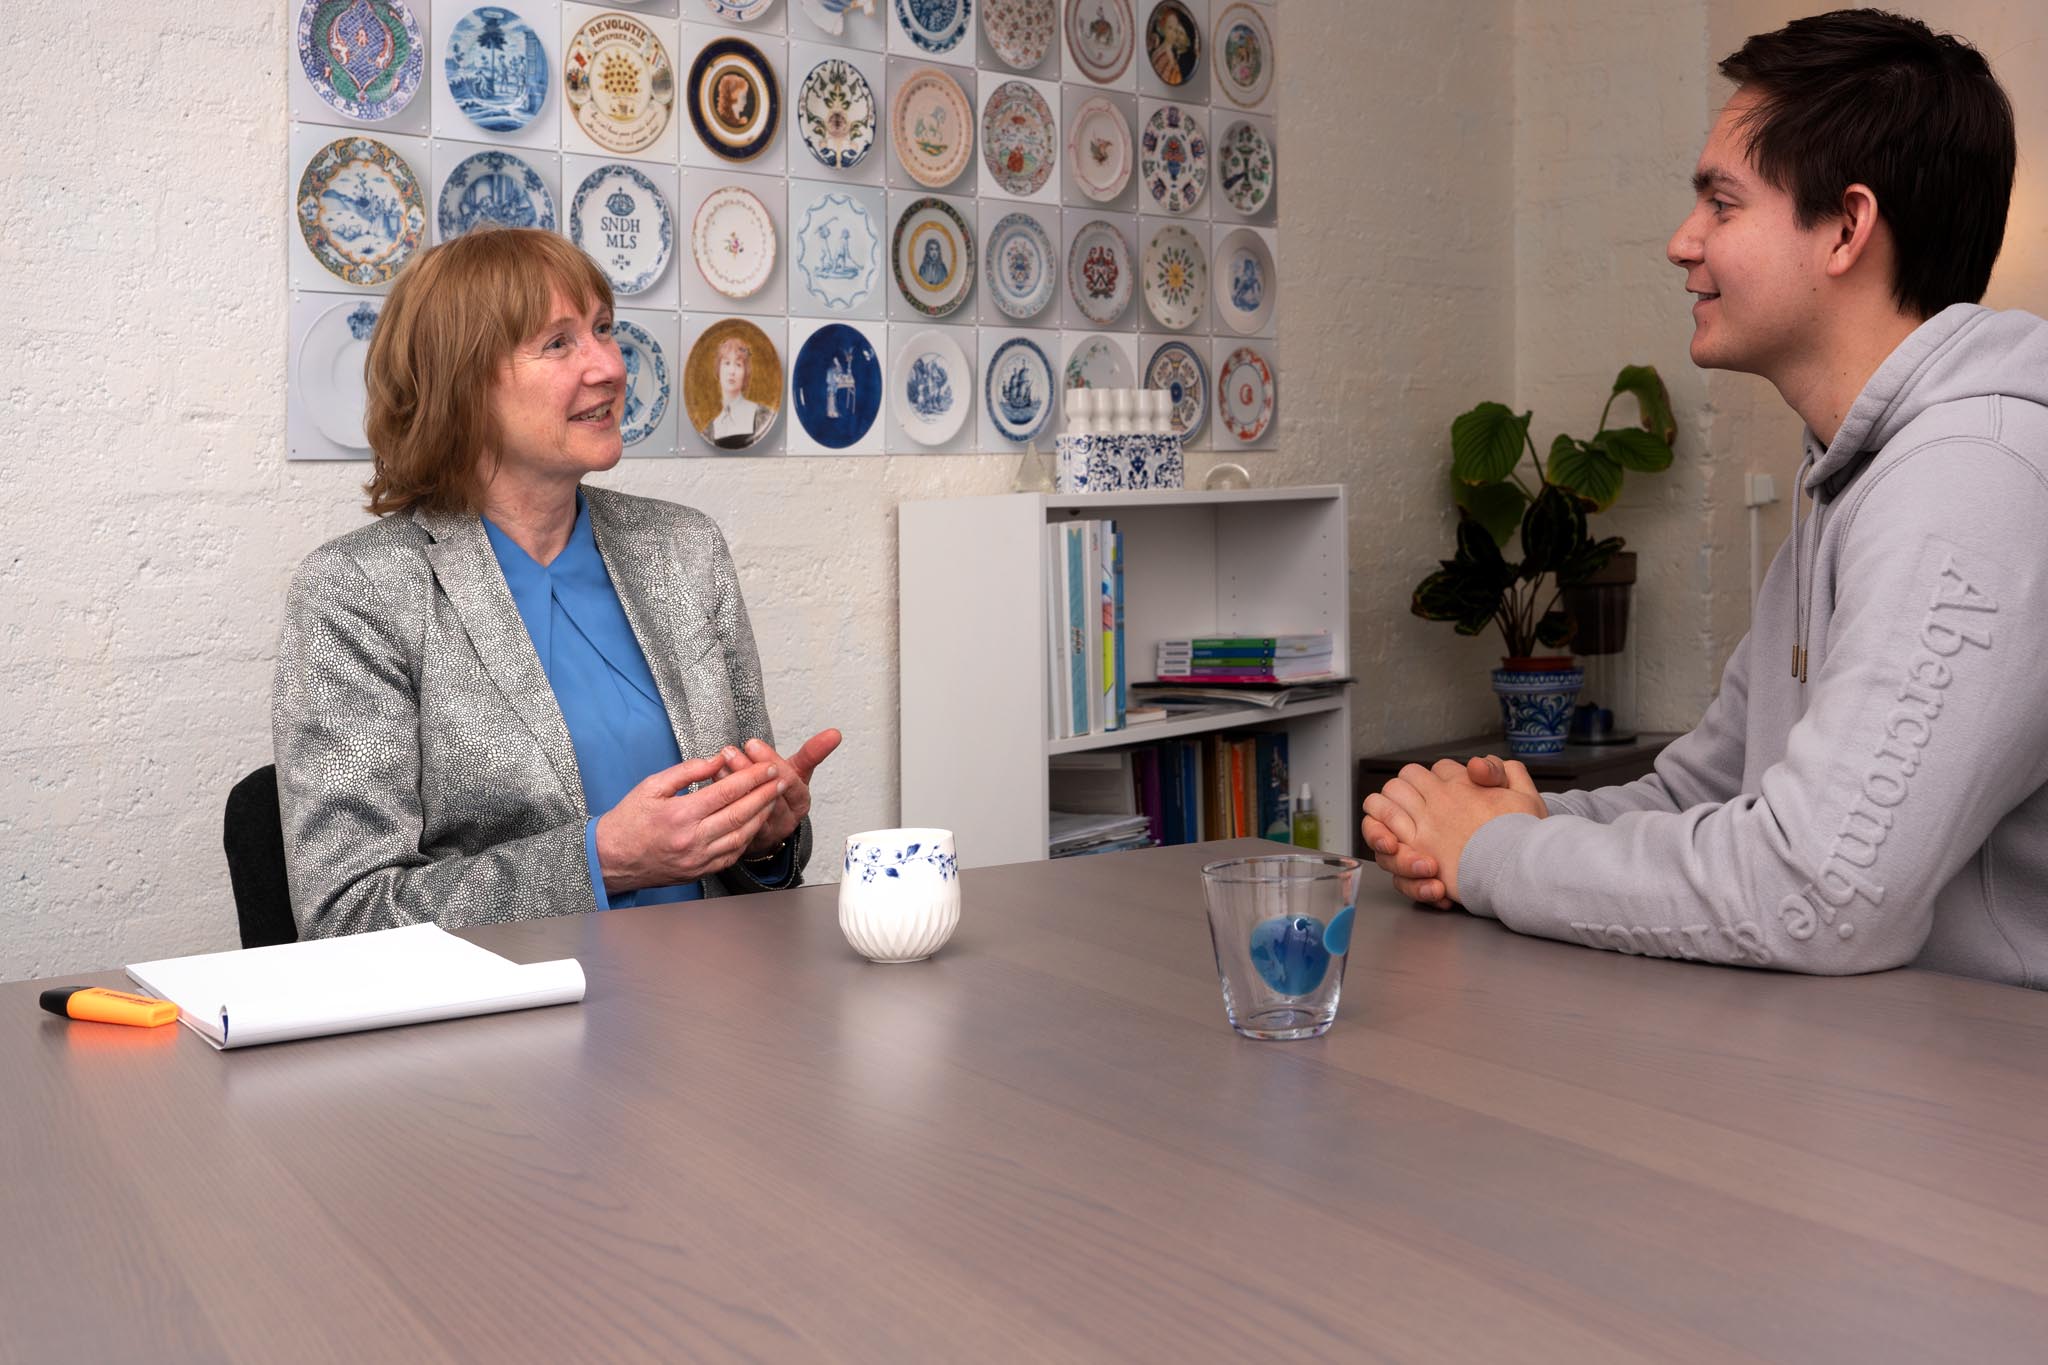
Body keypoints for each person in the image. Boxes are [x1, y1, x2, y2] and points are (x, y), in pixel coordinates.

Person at [1362, 9, 2048, 987]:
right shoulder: (1858, 478)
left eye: (1721, 205)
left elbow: (1820, 895)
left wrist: (1495, 854)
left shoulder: (1971, 480)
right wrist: (1507, 821)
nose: (1681, 243)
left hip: (1987, 1106)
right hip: (1866, 1065)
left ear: (1846, 227)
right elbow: (1710, 789)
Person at [275, 227, 840, 937]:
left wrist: (768, 836)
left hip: (716, 998)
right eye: (559, 343)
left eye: (605, 329)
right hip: (507, 1032)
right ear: (462, 383)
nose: (609, 365)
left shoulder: (684, 550)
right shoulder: (359, 591)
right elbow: (347, 915)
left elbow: (762, 860)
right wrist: (599, 862)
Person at [705, 333, 775, 449]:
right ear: (718, 369)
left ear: (745, 372)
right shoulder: (710, 428)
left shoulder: (763, 416)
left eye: (738, 365)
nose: (732, 371)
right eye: (727, 363)